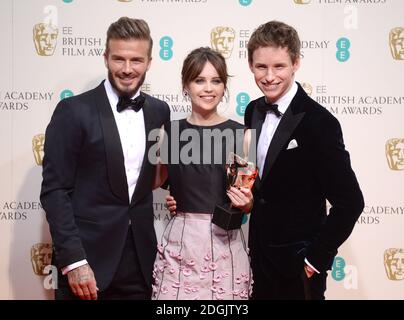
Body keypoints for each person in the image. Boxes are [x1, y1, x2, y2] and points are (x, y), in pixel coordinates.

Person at [40, 17, 170, 300]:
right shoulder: (73, 111)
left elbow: (158, 175)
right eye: (118, 59)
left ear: (149, 61)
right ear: (105, 58)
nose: (127, 69)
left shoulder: (160, 112)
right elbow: (55, 190)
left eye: (136, 60)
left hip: (140, 262)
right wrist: (74, 261)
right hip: (87, 263)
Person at [244, 20, 365, 299]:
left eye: (279, 66)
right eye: (261, 67)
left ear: (296, 62)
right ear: (251, 65)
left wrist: (314, 260)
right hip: (259, 261)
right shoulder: (253, 110)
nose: (269, 76)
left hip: (299, 270)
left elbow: (350, 202)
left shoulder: (320, 123)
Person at [152, 47, 253, 300]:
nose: (208, 88)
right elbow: (155, 183)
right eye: (199, 80)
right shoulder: (168, 134)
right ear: (186, 85)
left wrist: (248, 204)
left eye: (216, 81)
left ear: (224, 86)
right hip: (180, 247)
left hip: (225, 246)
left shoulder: (243, 136)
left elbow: (248, 198)